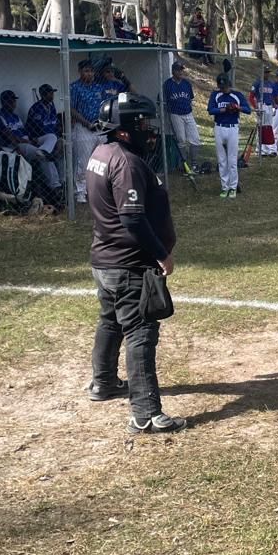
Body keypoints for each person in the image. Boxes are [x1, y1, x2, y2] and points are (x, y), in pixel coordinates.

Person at [85, 92, 186, 435]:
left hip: (105, 258)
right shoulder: (126, 162)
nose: (149, 130)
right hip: (128, 263)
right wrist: (161, 252)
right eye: (143, 123)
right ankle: (145, 413)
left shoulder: (102, 152)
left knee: (110, 321)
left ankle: (103, 382)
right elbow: (132, 219)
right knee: (141, 331)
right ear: (125, 129)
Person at [0, 89, 61, 201]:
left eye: (13, 101)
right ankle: (56, 185)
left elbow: (25, 131)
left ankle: (43, 150)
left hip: (28, 141)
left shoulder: (16, 117)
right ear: (3, 102)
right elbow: (8, 135)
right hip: (18, 145)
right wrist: (24, 141)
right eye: (10, 101)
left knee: (51, 136)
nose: (13, 104)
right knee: (43, 158)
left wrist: (32, 139)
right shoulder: (0, 116)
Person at [208, 72, 251, 198]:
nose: (223, 88)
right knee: (222, 160)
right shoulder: (215, 95)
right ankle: (224, 186)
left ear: (229, 84)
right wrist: (224, 109)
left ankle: (233, 187)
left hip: (232, 128)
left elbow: (247, 109)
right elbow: (211, 110)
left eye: (225, 86)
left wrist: (237, 107)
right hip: (219, 127)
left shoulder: (236, 95)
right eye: (221, 86)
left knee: (232, 160)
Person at [69, 59, 105, 203]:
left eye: (91, 71)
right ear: (80, 71)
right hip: (83, 128)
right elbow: (71, 109)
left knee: (101, 160)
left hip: (99, 128)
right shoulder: (74, 87)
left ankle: (98, 190)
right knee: (82, 162)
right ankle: (80, 193)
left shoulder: (98, 87)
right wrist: (86, 123)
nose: (89, 74)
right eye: (86, 71)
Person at [25, 83, 65, 203]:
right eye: (49, 93)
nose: (52, 95)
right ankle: (44, 152)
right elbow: (35, 128)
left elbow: (53, 125)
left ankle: (63, 181)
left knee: (63, 144)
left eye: (52, 92)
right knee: (51, 138)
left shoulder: (51, 106)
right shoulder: (36, 108)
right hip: (38, 138)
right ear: (43, 94)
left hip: (50, 140)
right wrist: (35, 140)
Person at [163, 61, 201, 169]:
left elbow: (190, 98)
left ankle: (194, 164)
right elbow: (162, 100)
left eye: (181, 70)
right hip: (175, 114)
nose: (180, 72)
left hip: (188, 113)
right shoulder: (167, 84)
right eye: (178, 70)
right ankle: (184, 164)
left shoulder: (186, 83)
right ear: (173, 71)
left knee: (195, 139)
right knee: (181, 140)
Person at [251, 64, 277, 157]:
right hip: (261, 105)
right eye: (265, 73)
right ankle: (259, 149)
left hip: (269, 106)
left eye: (268, 73)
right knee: (261, 127)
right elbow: (251, 97)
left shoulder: (271, 84)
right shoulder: (257, 83)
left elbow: (272, 96)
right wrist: (256, 107)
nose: (267, 74)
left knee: (269, 127)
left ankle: (269, 149)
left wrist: (274, 105)